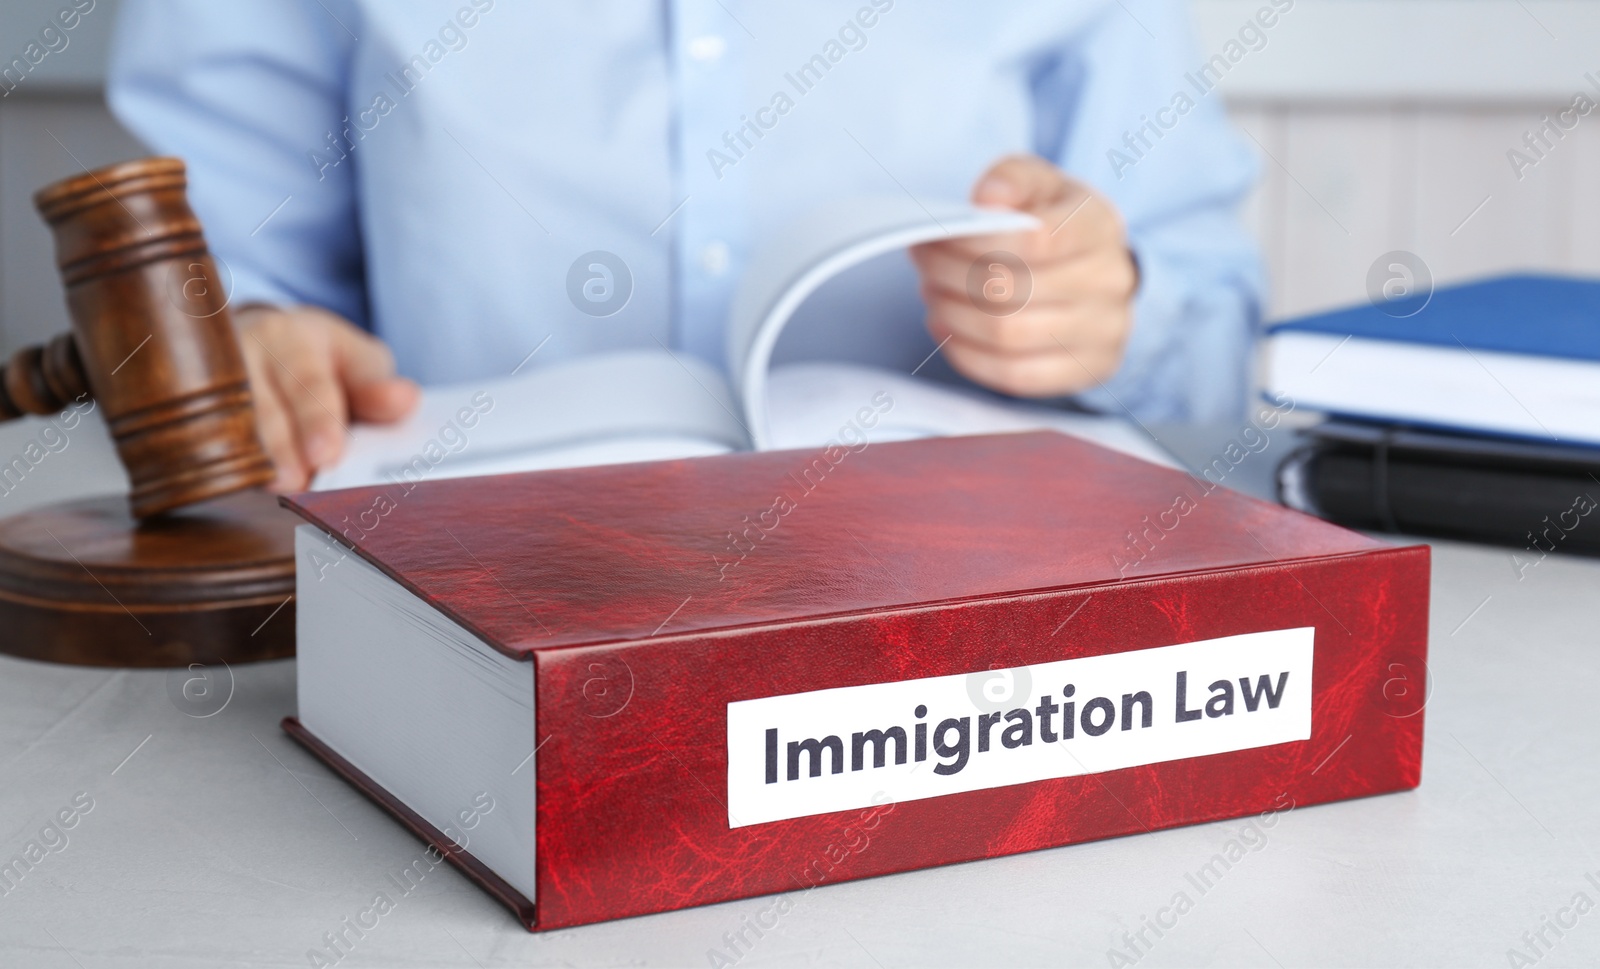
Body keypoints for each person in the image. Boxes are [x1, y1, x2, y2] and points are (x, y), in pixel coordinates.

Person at [108, 0, 1262, 490]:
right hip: (458, 605)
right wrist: (253, 342)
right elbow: (215, 279)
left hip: (964, 633)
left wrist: (1115, 314)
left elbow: (1213, 341)